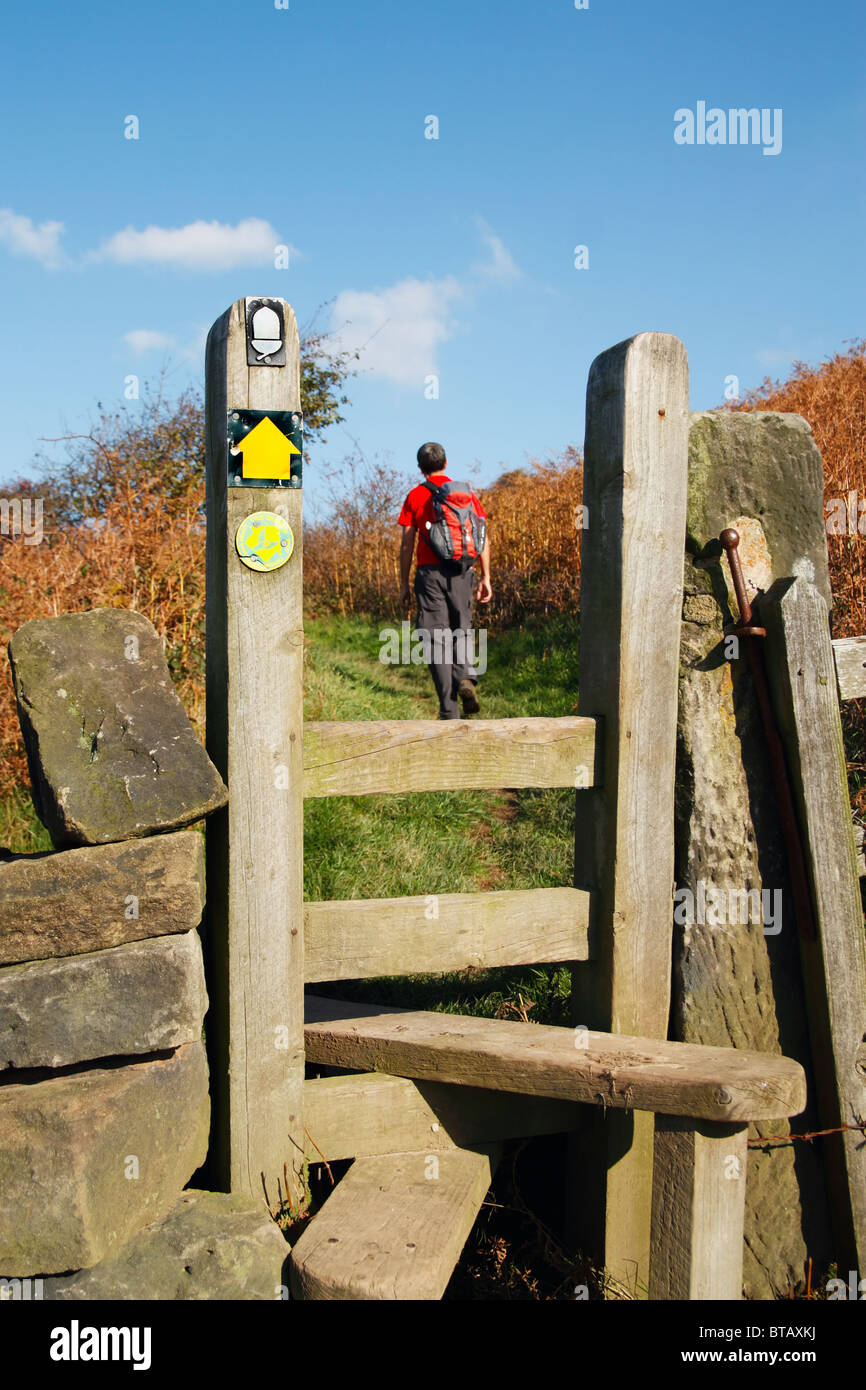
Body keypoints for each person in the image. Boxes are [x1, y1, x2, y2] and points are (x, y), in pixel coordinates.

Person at [398, 442, 491, 719]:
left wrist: (403, 583)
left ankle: (449, 711)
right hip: (463, 572)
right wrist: (486, 576)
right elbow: (482, 535)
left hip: (429, 575)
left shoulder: (415, 495)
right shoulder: (465, 493)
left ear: (420, 467)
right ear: (446, 463)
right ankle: (465, 677)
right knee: (461, 629)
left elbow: (405, 544)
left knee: (436, 638)